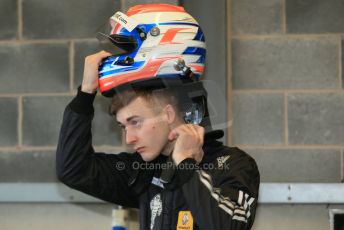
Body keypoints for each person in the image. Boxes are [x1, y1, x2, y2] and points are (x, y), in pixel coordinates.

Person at [56, 4, 260, 230]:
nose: (129, 138)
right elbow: (73, 170)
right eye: (123, 126)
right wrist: (85, 94)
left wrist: (185, 165)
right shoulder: (142, 171)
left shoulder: (233, 164)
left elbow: (228, 227)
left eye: (135, 122)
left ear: (169, 115)